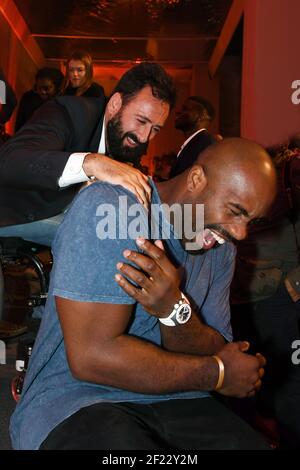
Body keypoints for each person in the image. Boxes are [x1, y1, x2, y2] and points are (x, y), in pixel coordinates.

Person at [10, 138, 277, 450]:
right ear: (195, 179)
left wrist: (174, 309)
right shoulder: (112, 209)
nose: (240, 232)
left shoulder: (221, 252)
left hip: (179, 402)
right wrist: (217, 375)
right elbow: (91, 359)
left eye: (251, 221)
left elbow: (216, 346)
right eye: (235, 211)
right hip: (77, 400)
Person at [0, 62, 176, 246]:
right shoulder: (67, 111)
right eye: (141, 121)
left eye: (155, 129)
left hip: (64, 215)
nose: (144, 137)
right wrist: (92, 163)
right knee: (107, 239)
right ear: (115, 104)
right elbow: (8, 161)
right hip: (15, 211)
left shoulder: (129, 141)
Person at [230, 138, 300, 449]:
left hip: (278, 297)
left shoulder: (291, 168)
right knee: (248, 380)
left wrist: (294, 285)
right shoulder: (264, 163)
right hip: (240, 294)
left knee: (287, 383)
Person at [169, 95, 216, 177]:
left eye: (185, 109)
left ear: (202, 115)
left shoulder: (205, 144)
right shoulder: (195, 142)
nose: (178, 112)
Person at [15, 67, 64, 132]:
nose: (42, 92)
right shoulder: (28, 98)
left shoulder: (61, 103)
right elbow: (20, 124)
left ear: (56, 88)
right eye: (39, 87)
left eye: (46, 88)